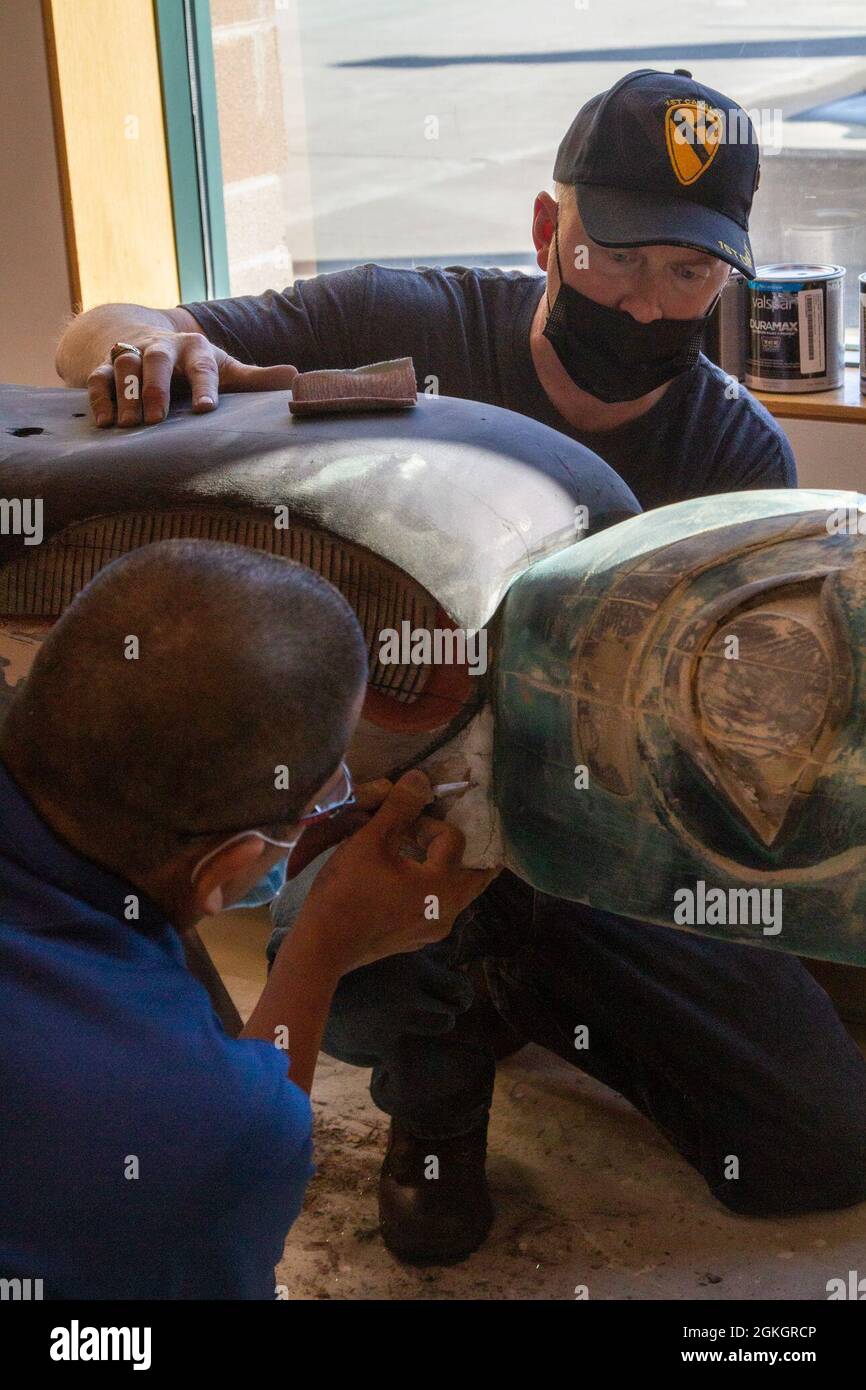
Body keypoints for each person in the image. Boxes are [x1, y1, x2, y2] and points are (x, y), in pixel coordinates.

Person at [55, 68, 866, 1265]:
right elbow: (101, 329)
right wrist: (142, 355)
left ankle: (518, 989)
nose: (647, 307)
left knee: (815, 1148)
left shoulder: (728, 447)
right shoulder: (402, 321)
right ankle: (433, 1088)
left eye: (688, 273)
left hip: (599, 846)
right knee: (372, 996)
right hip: (383, 808)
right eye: (616, 258)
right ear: (548, 231)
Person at [0, 540, 495, 1297]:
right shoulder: (194, 1126)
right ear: (229, 867)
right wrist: (322, 945)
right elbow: (238, 1140)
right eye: (316, 799)